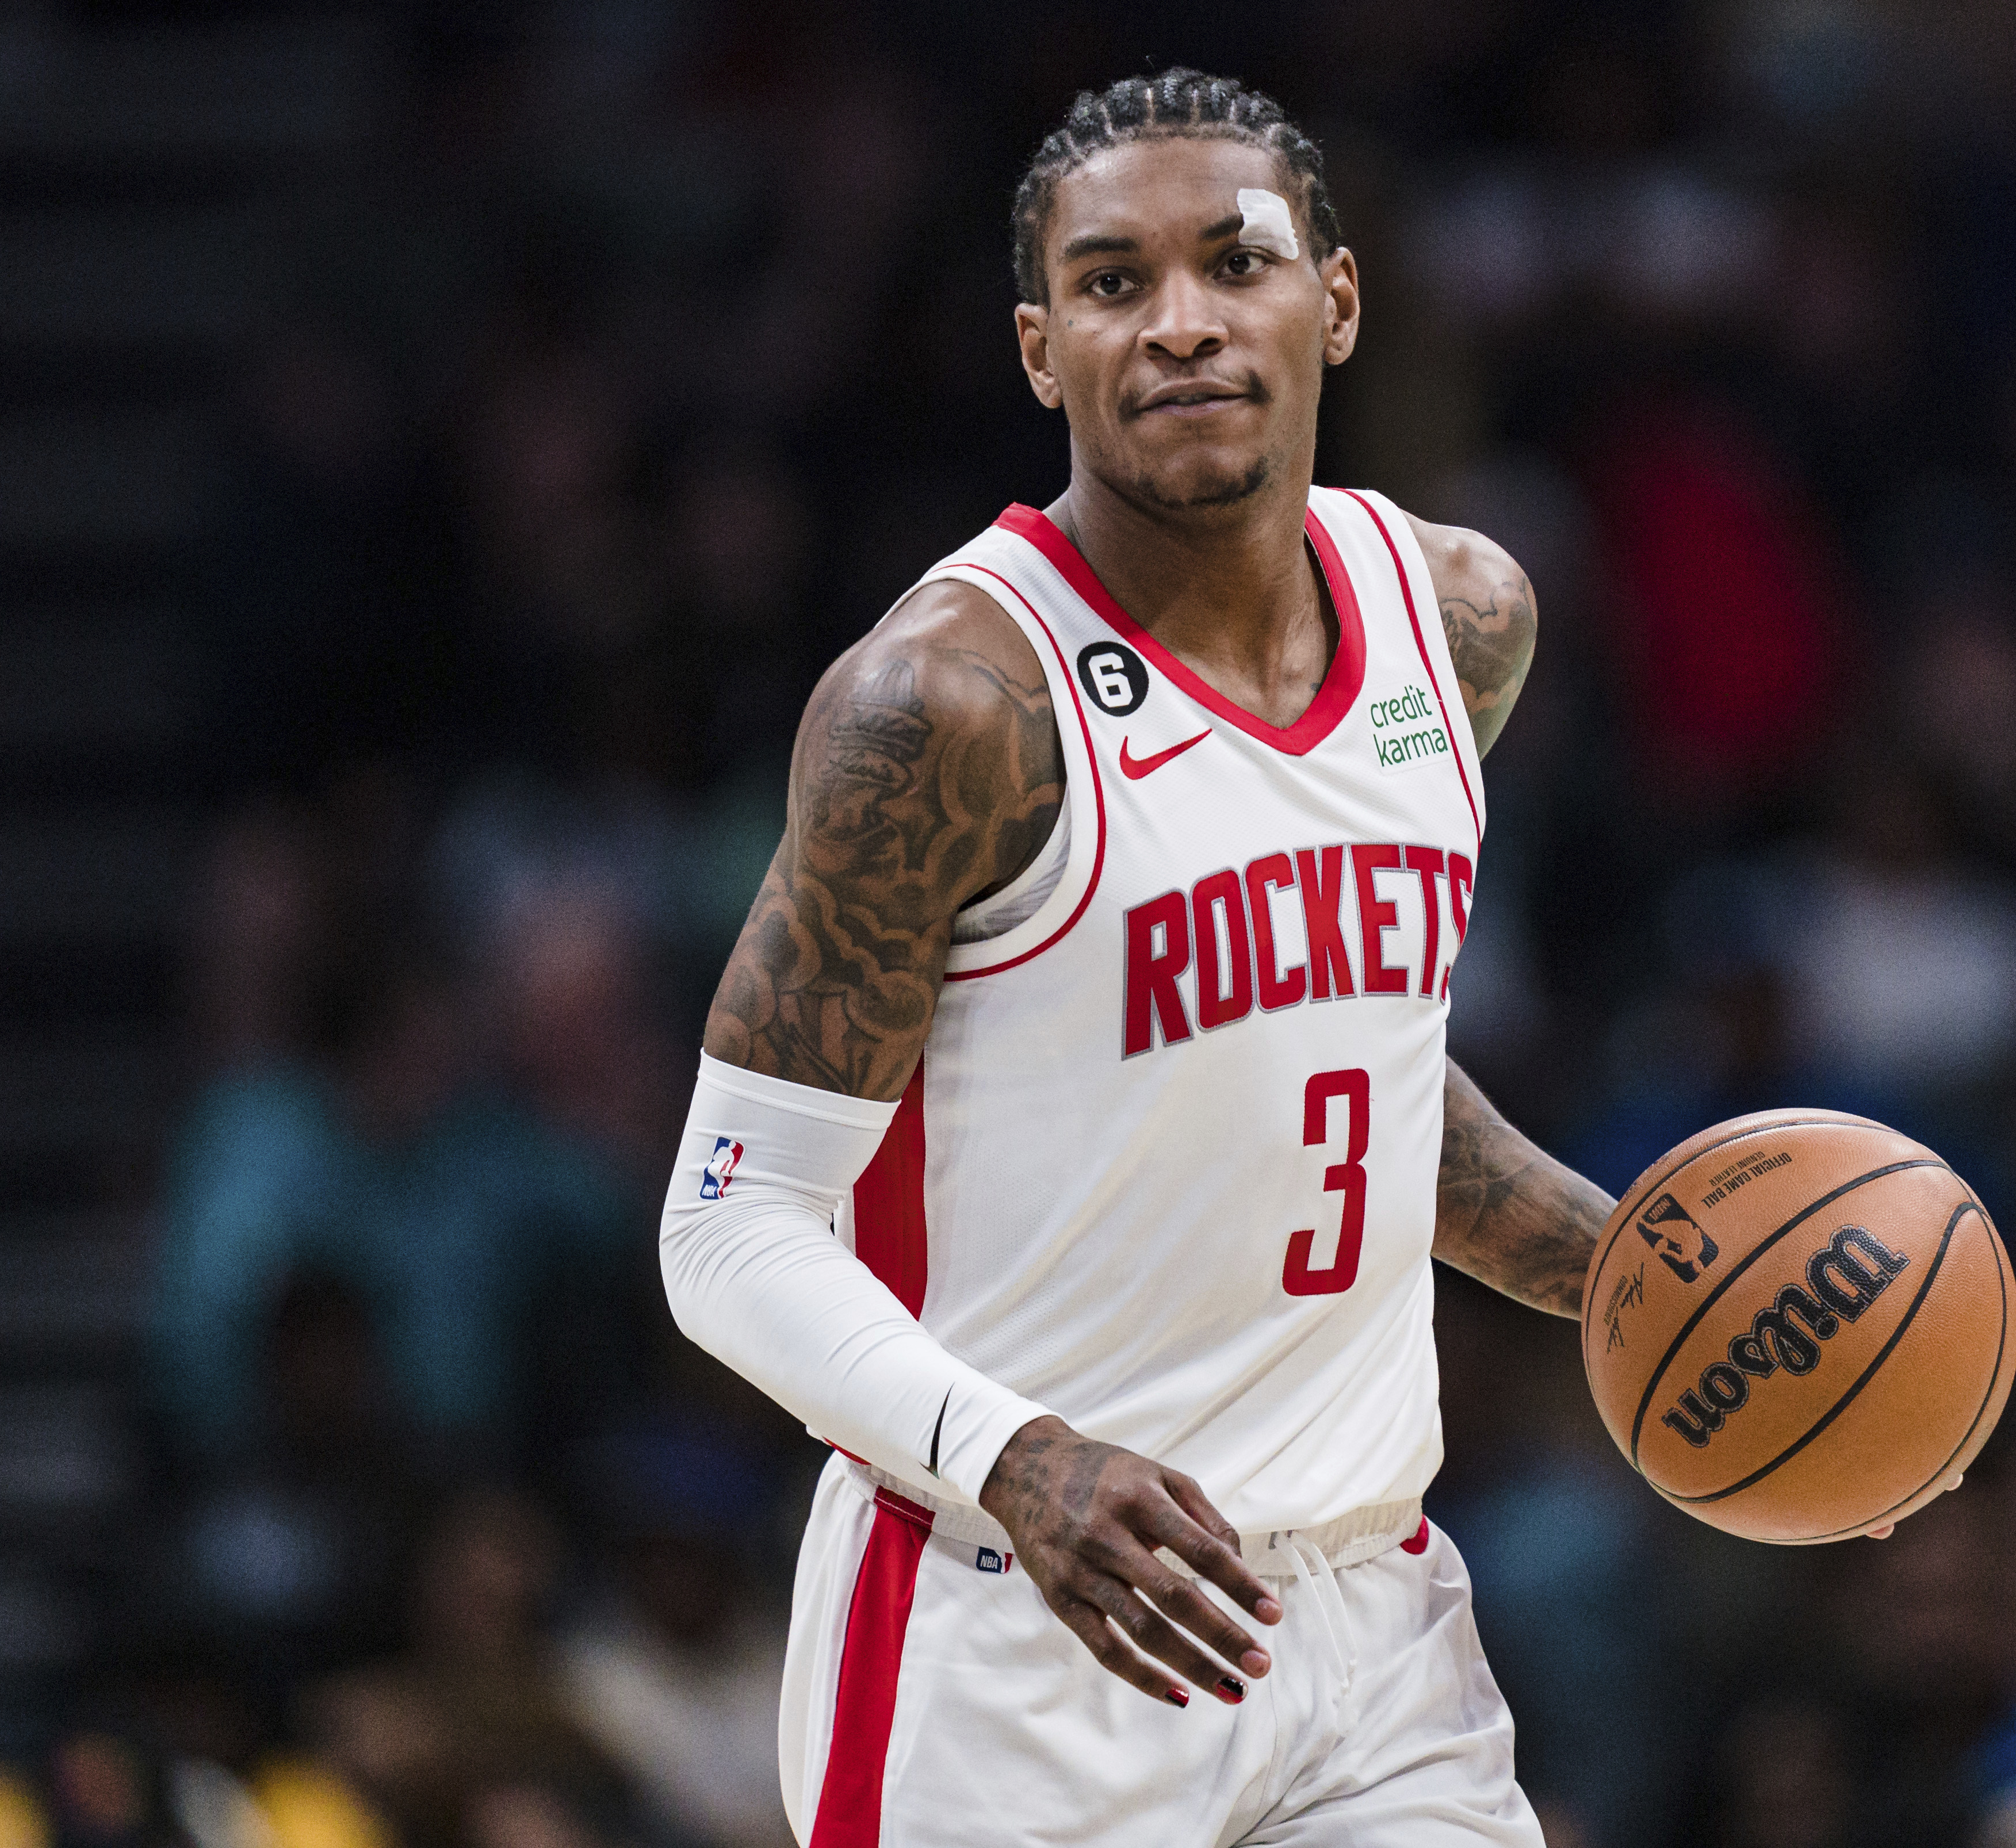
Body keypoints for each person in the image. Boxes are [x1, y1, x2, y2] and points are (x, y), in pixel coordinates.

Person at [657, 69, 1651, 1847]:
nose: (1181, 323)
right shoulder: (947, 709)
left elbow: (1348, 1056)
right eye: (1115, 284)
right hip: (1019, 1632)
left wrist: (1635, 1272)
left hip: (1367, 1614)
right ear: (1043, 351)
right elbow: (725, 1228)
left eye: (1235, 263)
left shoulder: (1460, 620)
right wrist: (1017, 1460)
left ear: (1334, 301)